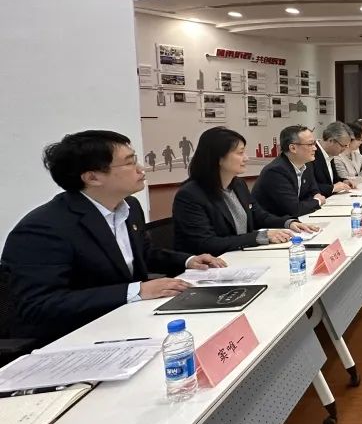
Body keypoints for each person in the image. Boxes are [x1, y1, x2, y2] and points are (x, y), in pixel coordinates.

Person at [1, 130, 224, 345]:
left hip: (132, 322)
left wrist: (188, 260)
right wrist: (136, 291)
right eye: (129, 162)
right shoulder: (43, 227)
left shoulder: (129, 207)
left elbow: (143, 254)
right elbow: (39, 305)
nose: (141, 168)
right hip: (78, 337)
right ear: (92, 177)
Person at [172, 127, 320, 256]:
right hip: (211, 266)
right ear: (218, 158)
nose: (246, 158)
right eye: (240, 153)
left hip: (240, 256)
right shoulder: (191, 195)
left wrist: (289, 223)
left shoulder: (238, 185)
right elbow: (206, 243)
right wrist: (259, 236)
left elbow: (259, 216)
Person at [252, 125, 326, 218]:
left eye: (314, 143)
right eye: (310, 144)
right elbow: (294, 209)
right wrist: (318, 201)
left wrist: (315, 197)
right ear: (293, 148)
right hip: (274, 223)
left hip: (298, 219)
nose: (315, 148)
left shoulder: (307, 165)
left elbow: (313, 191)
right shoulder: (275, 171)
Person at [311, 122, 355, 197]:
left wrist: (343, 181)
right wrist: (333, 188)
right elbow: (310, 187)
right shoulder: (312, 154)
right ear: (331, 141)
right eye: (343, 146)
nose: (345, 149)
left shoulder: (330, 153)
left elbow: (331, 180)